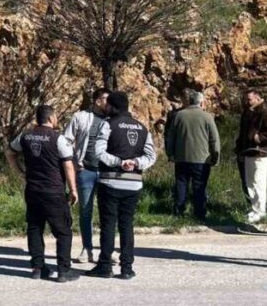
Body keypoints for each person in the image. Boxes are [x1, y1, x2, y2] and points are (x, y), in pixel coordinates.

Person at [5, 105, 81, 283]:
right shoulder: (59, 139)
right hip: (53, 191)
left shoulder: (25, 136)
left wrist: (20, 172)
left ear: (37, 119)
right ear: (52, 118)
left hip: (32, 190)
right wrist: (73, 189)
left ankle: (37, 268)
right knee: (63, 231)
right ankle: (63, 270)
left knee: (35, 228)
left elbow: (9, 152)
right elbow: (68, 165)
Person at [86, 92, 157, 280]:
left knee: (108, 225)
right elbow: (151, 156)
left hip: (110, 181)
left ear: (112, 106)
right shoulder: (142, 128)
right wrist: (135, 163)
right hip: (133, 184)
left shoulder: (107, 125)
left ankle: (105, 266)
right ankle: (127, 268)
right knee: (127, 225)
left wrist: (119, 162)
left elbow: (98, 151)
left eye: (107, 105)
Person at [62, 88, 110, 264]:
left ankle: (106, 250)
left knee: (108, 212)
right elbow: (66, 140)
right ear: (98, 101)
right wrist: (73, 162)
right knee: (85, 211)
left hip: (107, 172)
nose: (109, 103)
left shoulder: (113, 120)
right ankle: (87, 249)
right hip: (86, 171)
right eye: (106, 99)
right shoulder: (80, 117)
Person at [165, 90, 221, 222]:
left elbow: (171, 137)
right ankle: (199, 213)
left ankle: (178, 211)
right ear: (201, 102)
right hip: (202, 159)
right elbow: (214, 140)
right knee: (199, 186)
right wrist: (215, 157)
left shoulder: (179, 116)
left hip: (181, 158)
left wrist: (170, 154)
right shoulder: (207, 117)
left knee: (181, 184)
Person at [235, 89, 267, 225]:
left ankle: (261, 211)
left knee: (258, 182)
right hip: (248, 151)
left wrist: (258, 138)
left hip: (259, 152)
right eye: (246, 99)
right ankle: (255, 209)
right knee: (250, 182)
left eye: (250, 99)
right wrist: (240, 149)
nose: (247, 102)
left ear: (258, 98)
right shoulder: (248, 112)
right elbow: (243, 133)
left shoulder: (264, 111)